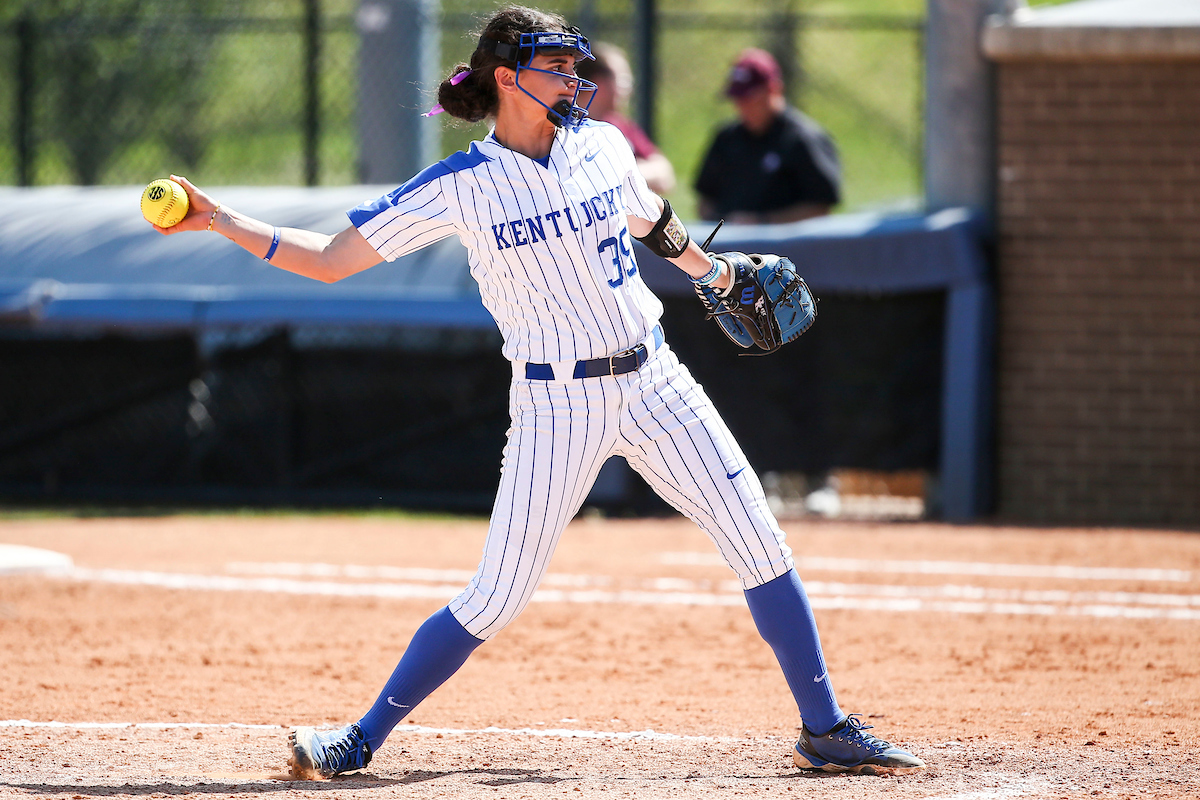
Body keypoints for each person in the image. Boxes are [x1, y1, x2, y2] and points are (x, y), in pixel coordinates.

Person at [151, 5, 923, 779]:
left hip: (656, 379)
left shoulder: (603, 145)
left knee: (759, 540)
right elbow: (328, 259)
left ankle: (825, 728)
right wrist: (219, 218)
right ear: (506, 77)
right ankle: (358, 739)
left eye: (571, 65)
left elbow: (653, 221)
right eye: (554, 66)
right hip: (558, 406)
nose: (572, 79)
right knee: (496, 596)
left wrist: (715, 273)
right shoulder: (461, 185)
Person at [695, 48, 840, 224]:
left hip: (786, 241)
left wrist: (761, 222)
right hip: (728, 239)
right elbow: (705, 199)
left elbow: (820, 209)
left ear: (774, 89)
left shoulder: (803, 139)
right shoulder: (726, 138)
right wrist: (720, 223)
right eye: (738, 100)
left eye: (750, 98)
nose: (743, 107)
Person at [574, 41, 676, 194]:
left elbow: (664, 176)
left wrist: (618, 173)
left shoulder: (619, 124)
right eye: (623, 80)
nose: (629, 88)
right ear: (597, 82)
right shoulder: (566, 129)